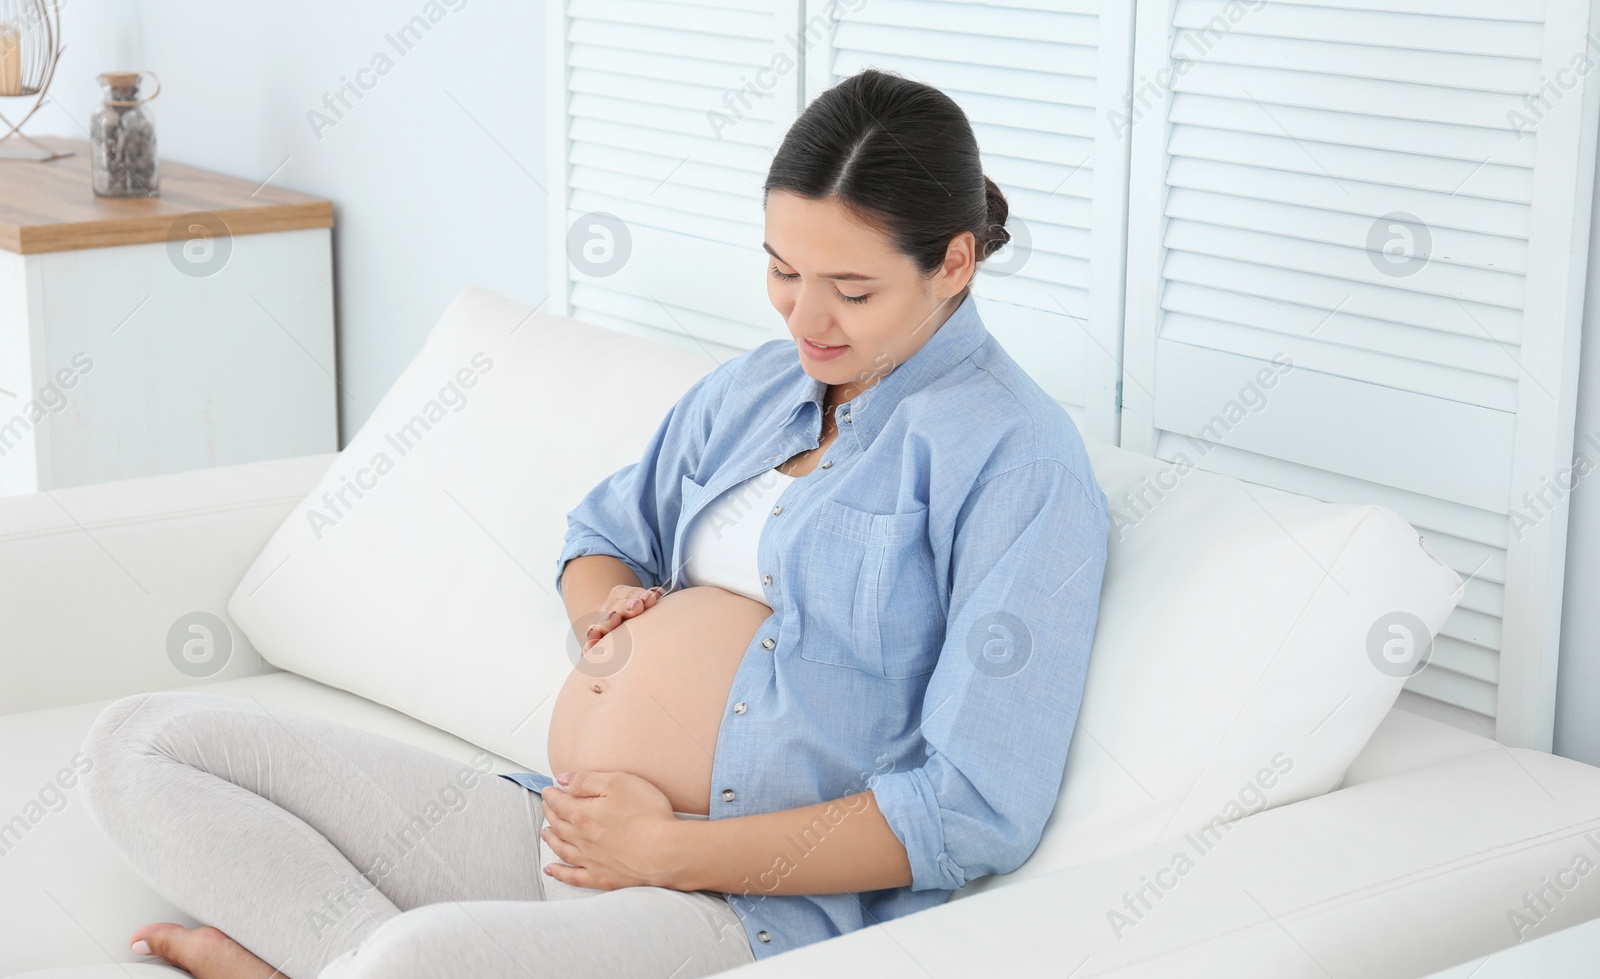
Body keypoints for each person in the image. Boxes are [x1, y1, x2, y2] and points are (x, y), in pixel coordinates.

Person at [78, 68, 1110, 979]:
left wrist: (668, 852)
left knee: (419, 963)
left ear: (956, 263)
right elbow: (598, 532)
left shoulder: (1013, 460)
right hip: (556, 820)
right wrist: (602, 612)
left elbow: (973, 806)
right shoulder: (758, 388)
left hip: (734, 900)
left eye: (850, 288)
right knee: (140, 742)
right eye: (782, 271)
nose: (803, 320)